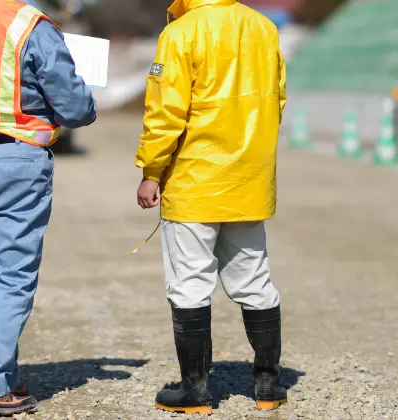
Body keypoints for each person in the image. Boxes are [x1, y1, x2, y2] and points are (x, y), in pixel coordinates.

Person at [0, 0, 97, 417]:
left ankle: (1, 375)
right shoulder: (34, 26)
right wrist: (86, 95)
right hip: (15, 157)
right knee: (11, 276)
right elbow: (75, 107)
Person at [135, 0, 287, 415]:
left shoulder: (180, 32)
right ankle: (268, 387)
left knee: (189, 283)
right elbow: (277, 99)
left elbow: (165, 113)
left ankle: (195, 391)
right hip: (249, 180)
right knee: (255, 280)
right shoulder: (264, 28)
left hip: (194, 181)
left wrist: (152, 169)